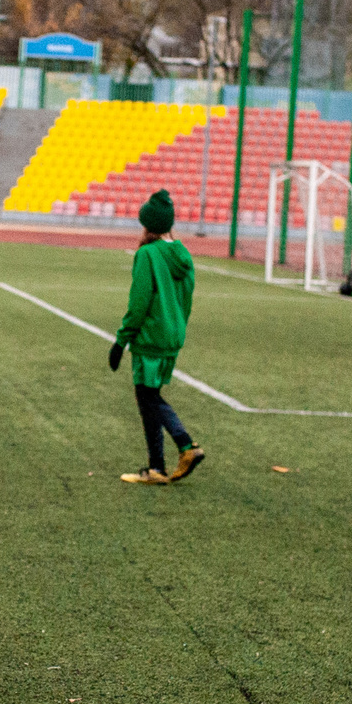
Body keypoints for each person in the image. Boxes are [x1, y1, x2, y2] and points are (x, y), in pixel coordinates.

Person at [109, 189, 204, 486]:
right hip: (172, 336)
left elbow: (139, 304)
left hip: (151, 337)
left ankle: (186, 445)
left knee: (147, 396)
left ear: (147, 224)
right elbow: (187, 300)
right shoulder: (183, 254)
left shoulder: (147, 254)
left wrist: (121, 340)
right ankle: (156, 468)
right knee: (148, 395)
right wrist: (177, 328)